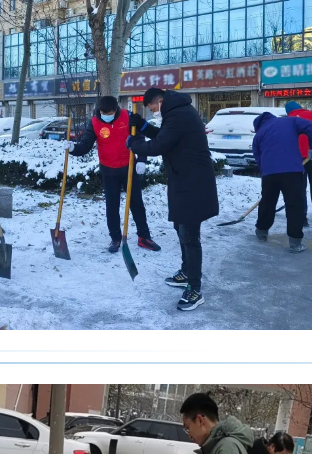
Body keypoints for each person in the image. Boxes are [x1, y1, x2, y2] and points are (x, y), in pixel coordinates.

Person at [127, 87, 219, 312]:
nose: (153, 112)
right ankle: (187, 272)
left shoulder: (179, 115)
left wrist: (133, 144)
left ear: (159, 101)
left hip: (193, 183)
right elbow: (164, 136)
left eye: (152, 108)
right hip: (183, 180)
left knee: (189, 235)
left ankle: (195, 289)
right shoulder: (177, 112)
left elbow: (159, 145)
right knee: (181, 227)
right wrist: (144, 126)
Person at [65, 96, 161, 254]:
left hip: (128, 167)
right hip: (108, 169)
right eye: (104, 113)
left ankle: (144, 237)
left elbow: (139, 139)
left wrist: (142, 160)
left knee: (136, 203)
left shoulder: (128, 117)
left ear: (116, 110)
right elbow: (86, 145)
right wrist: (73, 148)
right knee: (112, 205)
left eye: (109, 113)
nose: (106, 116)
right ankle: (115, 238)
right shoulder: (95, 122)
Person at [252, 112, 312, 253]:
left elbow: (257, 156)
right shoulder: (290, 121)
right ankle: (295, 242)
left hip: (269, 173)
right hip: (292, 171)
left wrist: (264, 170)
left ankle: (261, 231)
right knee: (294, 204)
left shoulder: (259, 134)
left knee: (267, 202)